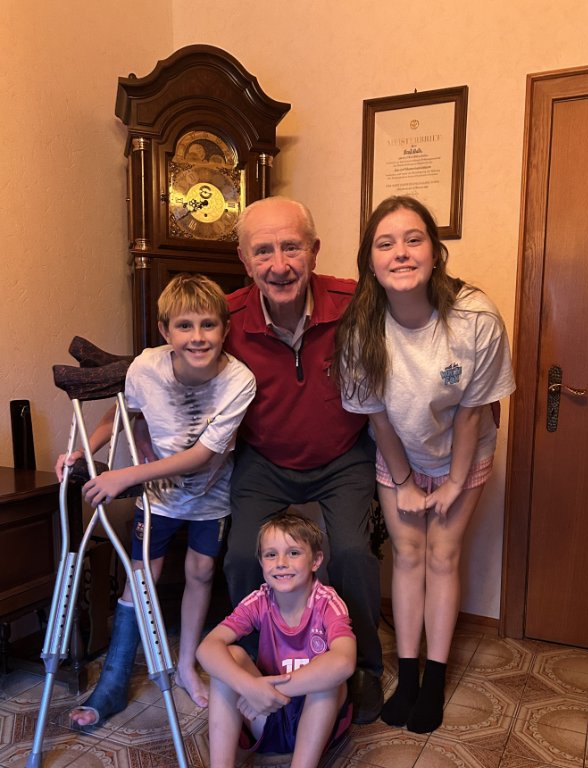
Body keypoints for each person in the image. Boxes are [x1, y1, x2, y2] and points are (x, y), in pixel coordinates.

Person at [335, 196, 516, 734]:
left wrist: (455, 482)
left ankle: (434, 680)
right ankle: (408, 678)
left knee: (442, 555)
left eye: (414, 240)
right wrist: (406, 482)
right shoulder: (361, 329)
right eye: (385, 243)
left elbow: (472, 412)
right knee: (408, 556)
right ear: (370, 262)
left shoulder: (476, 318)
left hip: (464, 450)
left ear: (435, 252)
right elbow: (378, 417)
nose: (401, 252)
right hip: (400, 453)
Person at [57, 274, 256, 727]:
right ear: (165, 331)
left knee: (201, 573)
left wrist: (125, 474)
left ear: (225, 328)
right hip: (159, 498)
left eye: (208, 325)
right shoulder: (147, 367)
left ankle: (186, 666)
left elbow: (203, 456)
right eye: (184, 326)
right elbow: (121, 411)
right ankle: (113, 683)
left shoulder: (239, 381)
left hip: (210, 495)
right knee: (141, 579)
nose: (197, 337)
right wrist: (83, 451)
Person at [222, 196, 383, 724]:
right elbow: (167, 365)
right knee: (242, 557)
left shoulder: (354, 302)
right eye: (263, 251)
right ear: (245, 260)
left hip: (342, 456)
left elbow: (419, 320)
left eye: (292, 247)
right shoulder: (225, 316)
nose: (279, 264)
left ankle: (365, 667)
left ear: (314, 250)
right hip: (265, 459)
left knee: (353, 553)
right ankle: (255, 664)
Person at [177, 512, 355, 768]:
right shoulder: (259, 600)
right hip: (265, 717)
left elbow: (345, 662)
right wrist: (249, 686)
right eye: (271, 554)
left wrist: (274, 691)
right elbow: (206, 649)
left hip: (314, 722)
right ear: (261, 563)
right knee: (229, 658)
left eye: (293, 552)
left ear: (316, 560)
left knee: (329, 678)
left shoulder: (327, 601)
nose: (281, 563)